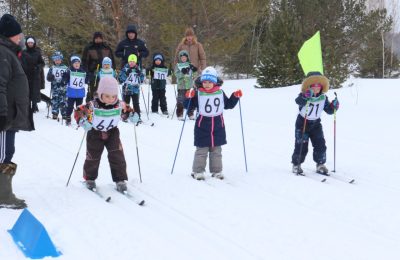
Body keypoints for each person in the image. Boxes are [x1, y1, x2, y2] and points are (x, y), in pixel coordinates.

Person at [74, 77, 139, 192]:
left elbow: (128, 111)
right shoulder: (92, 105)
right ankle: (90, 179)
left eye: (113, 96)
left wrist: (133, 116)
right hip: (95, 133)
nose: (110, 99)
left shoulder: (120, 105)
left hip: (112, 133)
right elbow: (79, 111)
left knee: (117, 155)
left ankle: (120, 180)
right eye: (107, 96)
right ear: (100, 93)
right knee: (93, 156)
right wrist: (82, 121)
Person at [0, 14, 34, 209]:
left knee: (6, 151)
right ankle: (3, 196)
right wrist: (2, 114)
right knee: (4, 153)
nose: (21, 37)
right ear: (8, 35)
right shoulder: (3, 53)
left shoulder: (9, 52)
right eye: (17, 34)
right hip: (5, 116)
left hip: (10, 114)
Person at [185, 67, 242, 180]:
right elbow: (189, 107)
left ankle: (217, 171)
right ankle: (198, 171)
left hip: (218, 125)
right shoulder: (198, 93)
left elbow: (228, 105)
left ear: (215, 81)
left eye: (209, 82)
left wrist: (235, 97)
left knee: (216, 150)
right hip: (202, 125)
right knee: (201, 150)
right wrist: (188, 98)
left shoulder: (220, 92)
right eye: (204, 82)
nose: (206, 84)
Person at [291, 71, 339, 175]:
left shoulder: (323, 97)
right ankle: (296, 164)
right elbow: (298, 101)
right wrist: (305, 96)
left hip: (316, 124)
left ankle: (320, 164)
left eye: (318, 86)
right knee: (301, 145)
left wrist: (334, 107)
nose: (316, 88)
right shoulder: (305, 95)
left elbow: (329, 111)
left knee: (320, 144)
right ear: (309, 87)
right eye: (313, 86)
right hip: (302, 123)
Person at [82, 32, 115, 102]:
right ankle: (90, 105)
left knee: (105, 91)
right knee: (93, 90)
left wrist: (113, 70)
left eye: (100, 38)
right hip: (93, 72)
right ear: (94, 39)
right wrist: (87, 72)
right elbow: (84, 61)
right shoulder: (89, 48)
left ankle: (104, 105)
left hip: (106, 73)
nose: (98, 40)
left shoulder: (107, 48)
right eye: (96, 38)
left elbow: (112, 60)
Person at [21, 36, 45, 113]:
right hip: (26, 75)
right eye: (29, 43)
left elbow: (42, 63)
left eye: (31, 43)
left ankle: (34, 106)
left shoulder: (37, 52)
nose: (30, 44)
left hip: (35, 75)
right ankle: (27, 106)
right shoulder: (23, 52)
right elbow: (20, 62)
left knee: (34, 91)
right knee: (26, 91)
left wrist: (38, 67)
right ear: (26, 43)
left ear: (34, 43)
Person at [62, 55, 88, 126]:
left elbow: (86, 80)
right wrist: (64, 78)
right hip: (71, 93)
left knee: (79, 107)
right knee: (70, 106)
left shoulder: (83, 71)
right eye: (75, 63)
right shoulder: (69, 71)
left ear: (80, 64)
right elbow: (65, 79)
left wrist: (88, 77)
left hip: (80, 93)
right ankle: (68, 118)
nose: (76, 64)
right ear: (72, 64)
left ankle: (79, 119)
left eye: (78, 63)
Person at [118, 54, 144, 121]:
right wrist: (126, 73)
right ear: (128, 62)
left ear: (135, 62)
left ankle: (137, 115)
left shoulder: (138, 69)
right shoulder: (125, 68)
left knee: (136, 103)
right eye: (130, 61)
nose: (131, 63)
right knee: (126, 103)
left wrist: (140, 74)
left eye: (133, 61)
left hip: (135, 89)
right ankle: (125, 114)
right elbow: (121, 78)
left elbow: (142, 79)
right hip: (127, 89)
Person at [174, 50, 197, 120]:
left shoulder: (190, 64)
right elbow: (176, 74)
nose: (183, 59)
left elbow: (194, 75)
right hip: (181, 86)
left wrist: (194, 70)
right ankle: (180, 114)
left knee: (190, 100)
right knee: (181, 100)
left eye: (185, 57)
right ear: (180, 58)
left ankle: (190, 113)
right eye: (182, 57)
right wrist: (182, 73)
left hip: (189, 85)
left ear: (187, 58)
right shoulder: (178, 65)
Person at [46, 51, 68, 120]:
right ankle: (55, 113)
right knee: (55, 100)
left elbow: (68, 77)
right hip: (55, 88)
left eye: (58, 59)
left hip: (63, 88)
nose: (57, 61)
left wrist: (65, 79)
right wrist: (50, 77)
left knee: (63, 101)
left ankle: (64, 113)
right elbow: (48, 78)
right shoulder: (52, 68)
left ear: (61, 59)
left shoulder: (65, 68)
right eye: (55, 60)